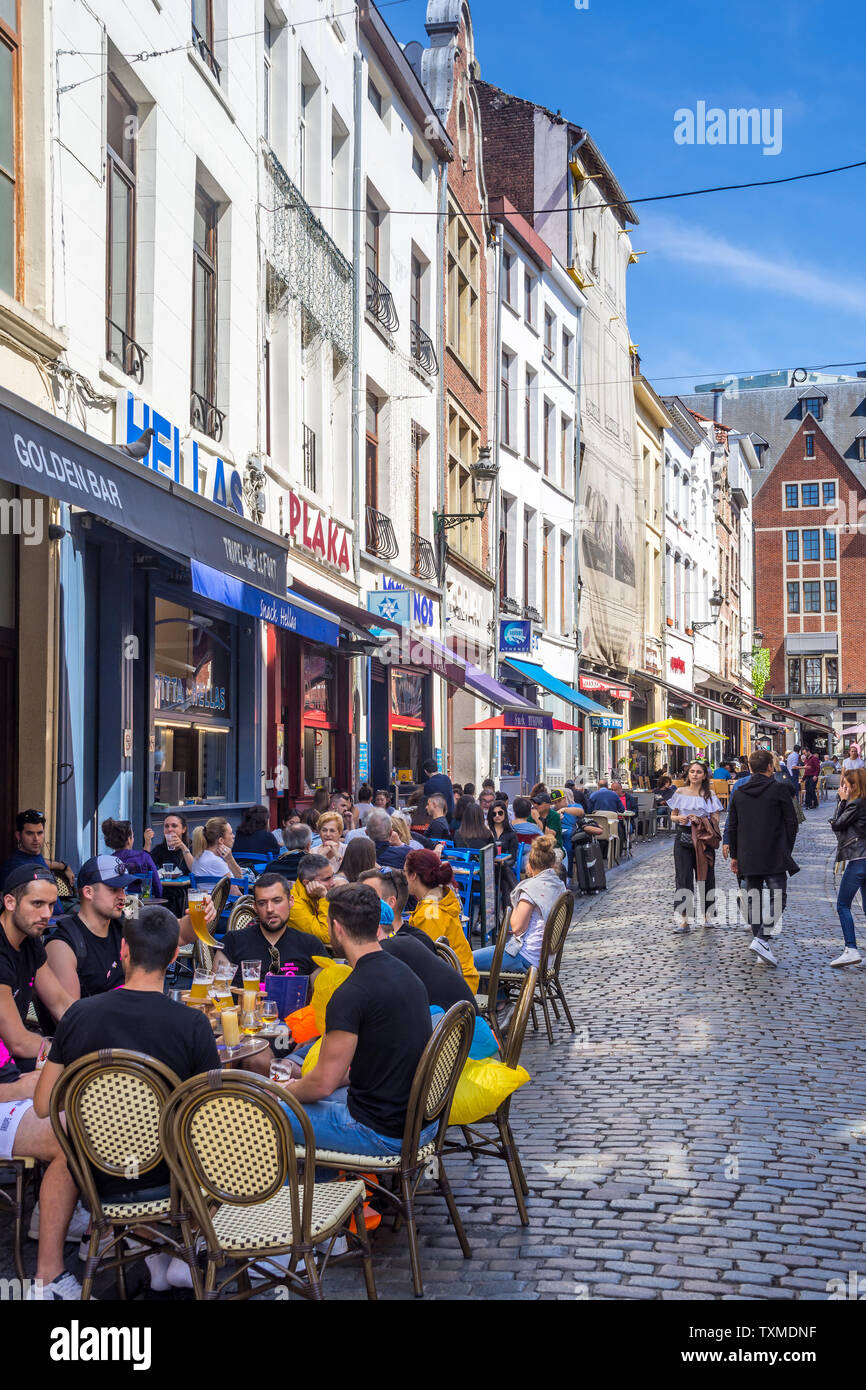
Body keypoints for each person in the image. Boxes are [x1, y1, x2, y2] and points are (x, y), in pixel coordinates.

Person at [34, 906, 220, 1293]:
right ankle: (190, 1246)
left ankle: (149, 1252)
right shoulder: (192, 1023)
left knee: (70, 1136)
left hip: (98, 1179)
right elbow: (208, 1114)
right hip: (171, 1180)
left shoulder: (80, 1015)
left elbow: (42, 1105)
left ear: (123, 951)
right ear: (174, 957)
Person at [275, 884, 435, 1158]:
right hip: (423, 1121)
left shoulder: (351, 993)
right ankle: (330, 1191)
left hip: (382, 1132)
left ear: (336, 928)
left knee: (265, 1112)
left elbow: (322, 1084)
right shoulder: (406, 973)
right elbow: (350, 1072)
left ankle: (291, 1198)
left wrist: (281, 1092)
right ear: (376, 926)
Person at [0, 1032, 84, 1299]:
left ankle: (105, 1229)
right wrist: (16, 1089)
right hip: (9, 1098)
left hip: (14, 1090)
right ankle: (48, 1280)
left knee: (92, 1111)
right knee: (71, 1134)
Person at [363, 873, 477, 1013]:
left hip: (457, 1017)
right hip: (460, 1011)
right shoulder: (429, 906)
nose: (363, 902)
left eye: (370, 897)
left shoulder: (426, 916)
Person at [727, 749, 799, 967]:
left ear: (749, 767)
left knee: (753, 900)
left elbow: (732, 825)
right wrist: (786, 848)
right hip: (774, 853)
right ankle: (762, 938)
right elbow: (792, 822)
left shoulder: (739, 792)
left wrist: (735, 855)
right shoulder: (780, 789)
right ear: (770, 767)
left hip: (748, 854)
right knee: (779, 897)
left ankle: (761, 944)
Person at [0, 867, 73, 1069]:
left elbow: (60, 1002)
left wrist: (98, 1032)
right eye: (37, 904)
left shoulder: (29, 940)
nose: (46, 914)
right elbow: (18, 1042)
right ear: (10, 902)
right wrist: (73, 1050)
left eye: (51, 905)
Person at [473, 834, 564, 984]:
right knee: (485, 957)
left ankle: (494, 1001)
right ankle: (498, 999)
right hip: (545, 957)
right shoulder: (558, 886)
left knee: (468, 961)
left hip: (527, 957)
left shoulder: (532, 889)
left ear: (529, 865)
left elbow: (516, 927)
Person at [44, 857, 135, 1002]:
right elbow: (70, 1016)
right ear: (88, 892)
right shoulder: (63, 945)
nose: (123, 896)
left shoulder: (122, 925)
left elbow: (172, 935)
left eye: (123, 889)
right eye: (113, 889)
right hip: (96, 1023)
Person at [212, 873, 324, 987]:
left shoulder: (310, 945)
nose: (270, 909)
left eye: (277, 901)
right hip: (243, 1004)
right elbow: (218, 994)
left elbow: (323, 997)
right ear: (255, 907)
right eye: (262, 903)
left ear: (291, 901)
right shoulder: (233, 942)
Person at [403, 849, 479, 991]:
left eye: (405, 873)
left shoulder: (429, 914)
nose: (404, 878)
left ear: (413, 875)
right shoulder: (440, 897)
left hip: (456, 989)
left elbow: (426, 963)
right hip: (462, 978)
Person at [668, 761, 723, 934]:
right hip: (683, 837)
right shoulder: (680, 792)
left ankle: (707, 916)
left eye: (698, 772)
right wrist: (680, 819)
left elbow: (716, 819)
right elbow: (673, 815)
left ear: (704, 775)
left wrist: (701, 821)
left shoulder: (709, 794)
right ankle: (684, 920)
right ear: (688, 774)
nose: (695, 774)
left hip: (703, 838)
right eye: (692, 771)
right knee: (683, 877)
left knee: (706, 877)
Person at [828, 768, 866, 967]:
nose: (843, 788)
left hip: (859, 860)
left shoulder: (855, 805)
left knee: (843, 905)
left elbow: (837, 824)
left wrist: (842, 800)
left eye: (846, 785)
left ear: (854, 786)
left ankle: (851, 948)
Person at [0, 810, 74, 892]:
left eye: (39, 833)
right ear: (18, 836)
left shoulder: (32, 857)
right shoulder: (16, 867)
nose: (36, 839)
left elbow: (39, 861)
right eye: (29, 833)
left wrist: (64, 866)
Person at [102, 818, 162, 900]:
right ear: (129, 840)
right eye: (133, 836)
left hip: (118, 905)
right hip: (143, 903)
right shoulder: (144, 857)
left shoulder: (108, 861)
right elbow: (158, 888)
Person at [189, 816, 243, 899]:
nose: (233, 836)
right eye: (231, 833)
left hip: (205, 906)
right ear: (221, 840)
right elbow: (236, 894)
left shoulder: (199, 857)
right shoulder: (216, 861)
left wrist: (229, 859)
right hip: (223, 908)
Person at [289, 854, 336, 945]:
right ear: (307, 883)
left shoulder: (326, 891)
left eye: (333, 876)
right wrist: (324, 898)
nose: (333, 883)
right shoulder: (293, 904)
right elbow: (327, 936)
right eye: (327, 879)